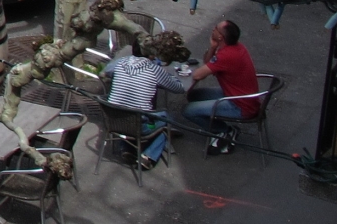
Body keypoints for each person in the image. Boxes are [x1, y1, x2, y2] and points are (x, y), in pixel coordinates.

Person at [186, 19, 260, 148]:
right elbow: (208, 62)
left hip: (239, 105)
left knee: (187, 111)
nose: (213, 28)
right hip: (240, 95)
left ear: (220, 36)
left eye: (215, 28)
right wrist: (213, 47)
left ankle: (224, 130)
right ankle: (217, 124)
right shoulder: (236, 47)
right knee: (193, 95)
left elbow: (198, 75)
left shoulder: (227, 55)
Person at [101, 30, 194, 111]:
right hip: (141, 122)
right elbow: (179, 89)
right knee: (167, 117)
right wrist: (173, 76)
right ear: (151, 54)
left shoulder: (121, 62)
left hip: (113, 118)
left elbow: (107, 70)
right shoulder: (154, 70)